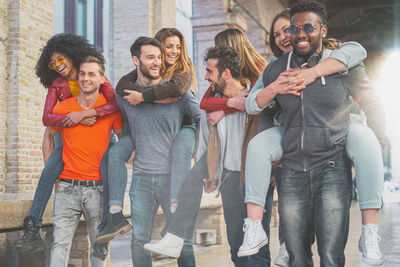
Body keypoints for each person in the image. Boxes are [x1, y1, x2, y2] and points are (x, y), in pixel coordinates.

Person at [242, 7, 385, 266]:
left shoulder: (344, 62)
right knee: (297, 255)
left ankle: (370, 233)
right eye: (292, 30)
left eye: (307, 27)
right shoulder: (276, 68)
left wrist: (376, 145)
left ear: (322, 30)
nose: (298, 35)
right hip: (294, 167)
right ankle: (254, 229)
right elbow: (257, 108)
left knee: (331, 254)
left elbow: (371, 101)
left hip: (332, 164)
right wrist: (276, 87)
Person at [144, 46, 268, 267]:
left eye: (210, 71)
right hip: (230, 179)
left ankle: (175, 236)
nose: (205, 76)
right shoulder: (210, 105)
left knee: (257, 251)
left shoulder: (255, 97)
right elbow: (204, 142)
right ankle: (175, 236)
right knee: (236, 247)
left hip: (255, 181)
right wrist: (210, 174)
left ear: (226, 73)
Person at [15, 33, 119, 259]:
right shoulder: (57, 85)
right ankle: (33, 225)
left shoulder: (93, 75)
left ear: (72, 55)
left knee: (109, 173)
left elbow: (114, 104)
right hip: (73, 140)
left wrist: (90, 112)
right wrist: (78, 117)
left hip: (103, 138)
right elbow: (47, 118)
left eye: (61, 59)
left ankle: (106, 229)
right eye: (53, 63)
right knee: (47, 173)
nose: (57, 65)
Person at [96, 28, 198, 249]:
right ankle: (114, 214)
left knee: (180, 151)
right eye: (168, 47)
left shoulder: (182, 71)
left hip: (184, 126)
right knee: (115, 153)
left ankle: (175, 217)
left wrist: (143, 97)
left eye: (178, 47)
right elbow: (122, 87)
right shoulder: (139, 74)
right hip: (143, 134)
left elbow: (179, 89)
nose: (173, 52)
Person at [46, 55, 123, 267]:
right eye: (82, 73)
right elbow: (48, 137)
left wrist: (118, 173)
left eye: (91, 74)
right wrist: (50, 173)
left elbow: (124, 140)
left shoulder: (110, 110)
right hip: (66, 187)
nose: (85, 78)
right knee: (59, 244)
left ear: (101, 79)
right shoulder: (63, 108)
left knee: (99, 245)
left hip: (98, 189)